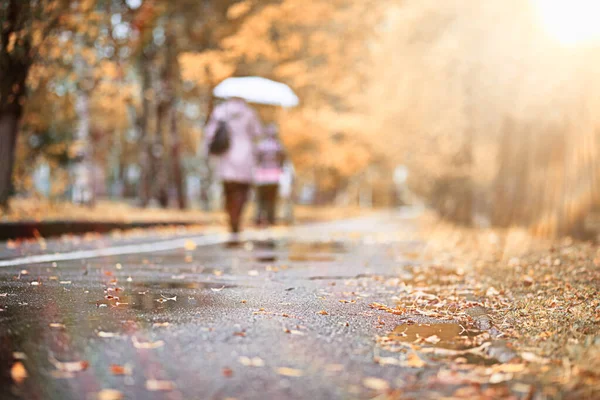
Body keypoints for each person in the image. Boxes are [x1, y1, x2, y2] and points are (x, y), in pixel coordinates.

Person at [204, 97, 263, 244]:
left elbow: (210, 134)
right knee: (242, 191)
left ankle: (232, 219)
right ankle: (237, 218)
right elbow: (257, 132)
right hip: (245, 155)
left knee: (228, 191)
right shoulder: (249, 112)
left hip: (226, 156)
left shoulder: (220, 111)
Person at [254, 123, 286, 227]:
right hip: (274, 176)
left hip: (262, 176)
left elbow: (256, 159)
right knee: (271, 199)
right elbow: (283, 160)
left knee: (261, 199)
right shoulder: (278, 146)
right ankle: (270, 218)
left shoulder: (261, 145)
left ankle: (259, 218)